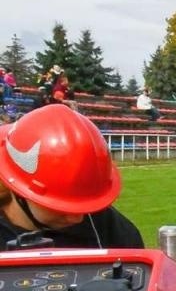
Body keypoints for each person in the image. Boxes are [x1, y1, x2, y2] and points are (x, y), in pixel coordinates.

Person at [0, 104, 143, 251]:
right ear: (18, 190)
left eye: (85, 205)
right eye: (59, 207)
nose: (77, 218)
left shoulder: (111, 230)